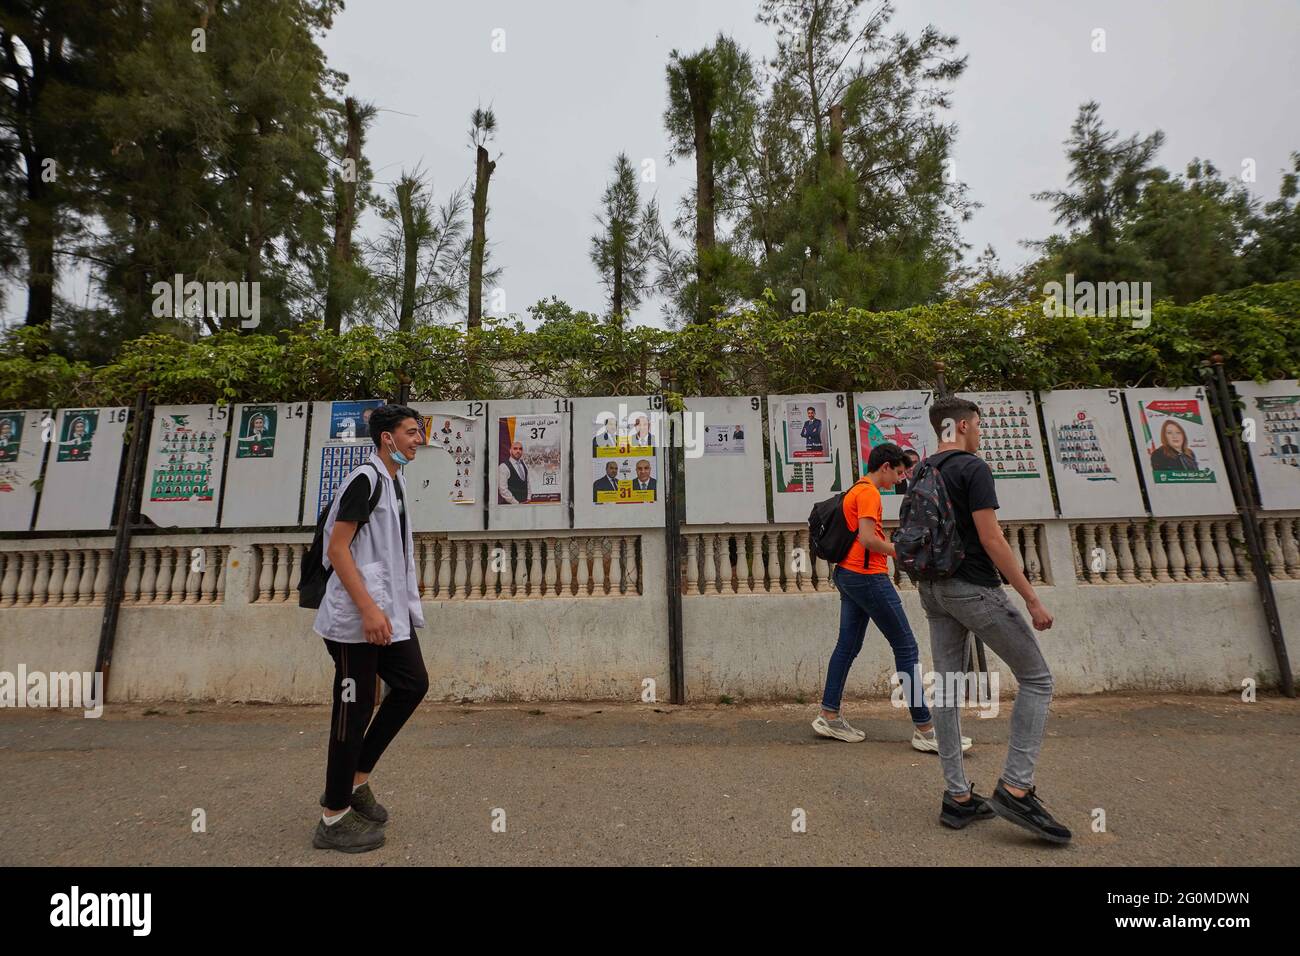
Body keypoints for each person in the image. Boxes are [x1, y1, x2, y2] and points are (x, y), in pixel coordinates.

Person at [918, 396, 1069, 843]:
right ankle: (1016, 787)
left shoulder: (924, 470)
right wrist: (1032, 599)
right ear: (962, 425)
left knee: (946, 688)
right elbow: (992, 537)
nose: (980, 432)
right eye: (978, 425)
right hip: (975, 590)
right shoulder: (972, 468)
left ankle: (958, 797)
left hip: (933, 589)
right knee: (1037, 678)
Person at [312, 404, 428, 853]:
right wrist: (368, 610)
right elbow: (338, 550)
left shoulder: (391, 480)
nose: (418, 439)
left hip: (387, 614)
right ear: (387, 438)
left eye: (417, 432)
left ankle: (356, 777)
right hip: (355, 621)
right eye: (411, 432)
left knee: (412, 683)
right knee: (353, 708)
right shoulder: (364, 479)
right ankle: (333, 816)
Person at [813, 442, 972, 755]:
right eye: (899, 472)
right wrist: (902, 552)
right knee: (906, 647)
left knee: (847, 646)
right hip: (868, 576)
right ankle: (925, 729)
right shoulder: (870, 493)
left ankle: (828, 715)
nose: (901, 479)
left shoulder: (855, 490)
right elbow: (869, 539)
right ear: (884, 466)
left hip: (847, 574)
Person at [498, 440, 529, 504]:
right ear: (510, 451)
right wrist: (516, 503)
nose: (518, 451)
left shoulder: (524, 464)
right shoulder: (504, 466)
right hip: (510, 506)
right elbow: (503, 490)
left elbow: (527, 482)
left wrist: (528, 498)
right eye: (515, 449)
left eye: (520, 449)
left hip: (524, 504)